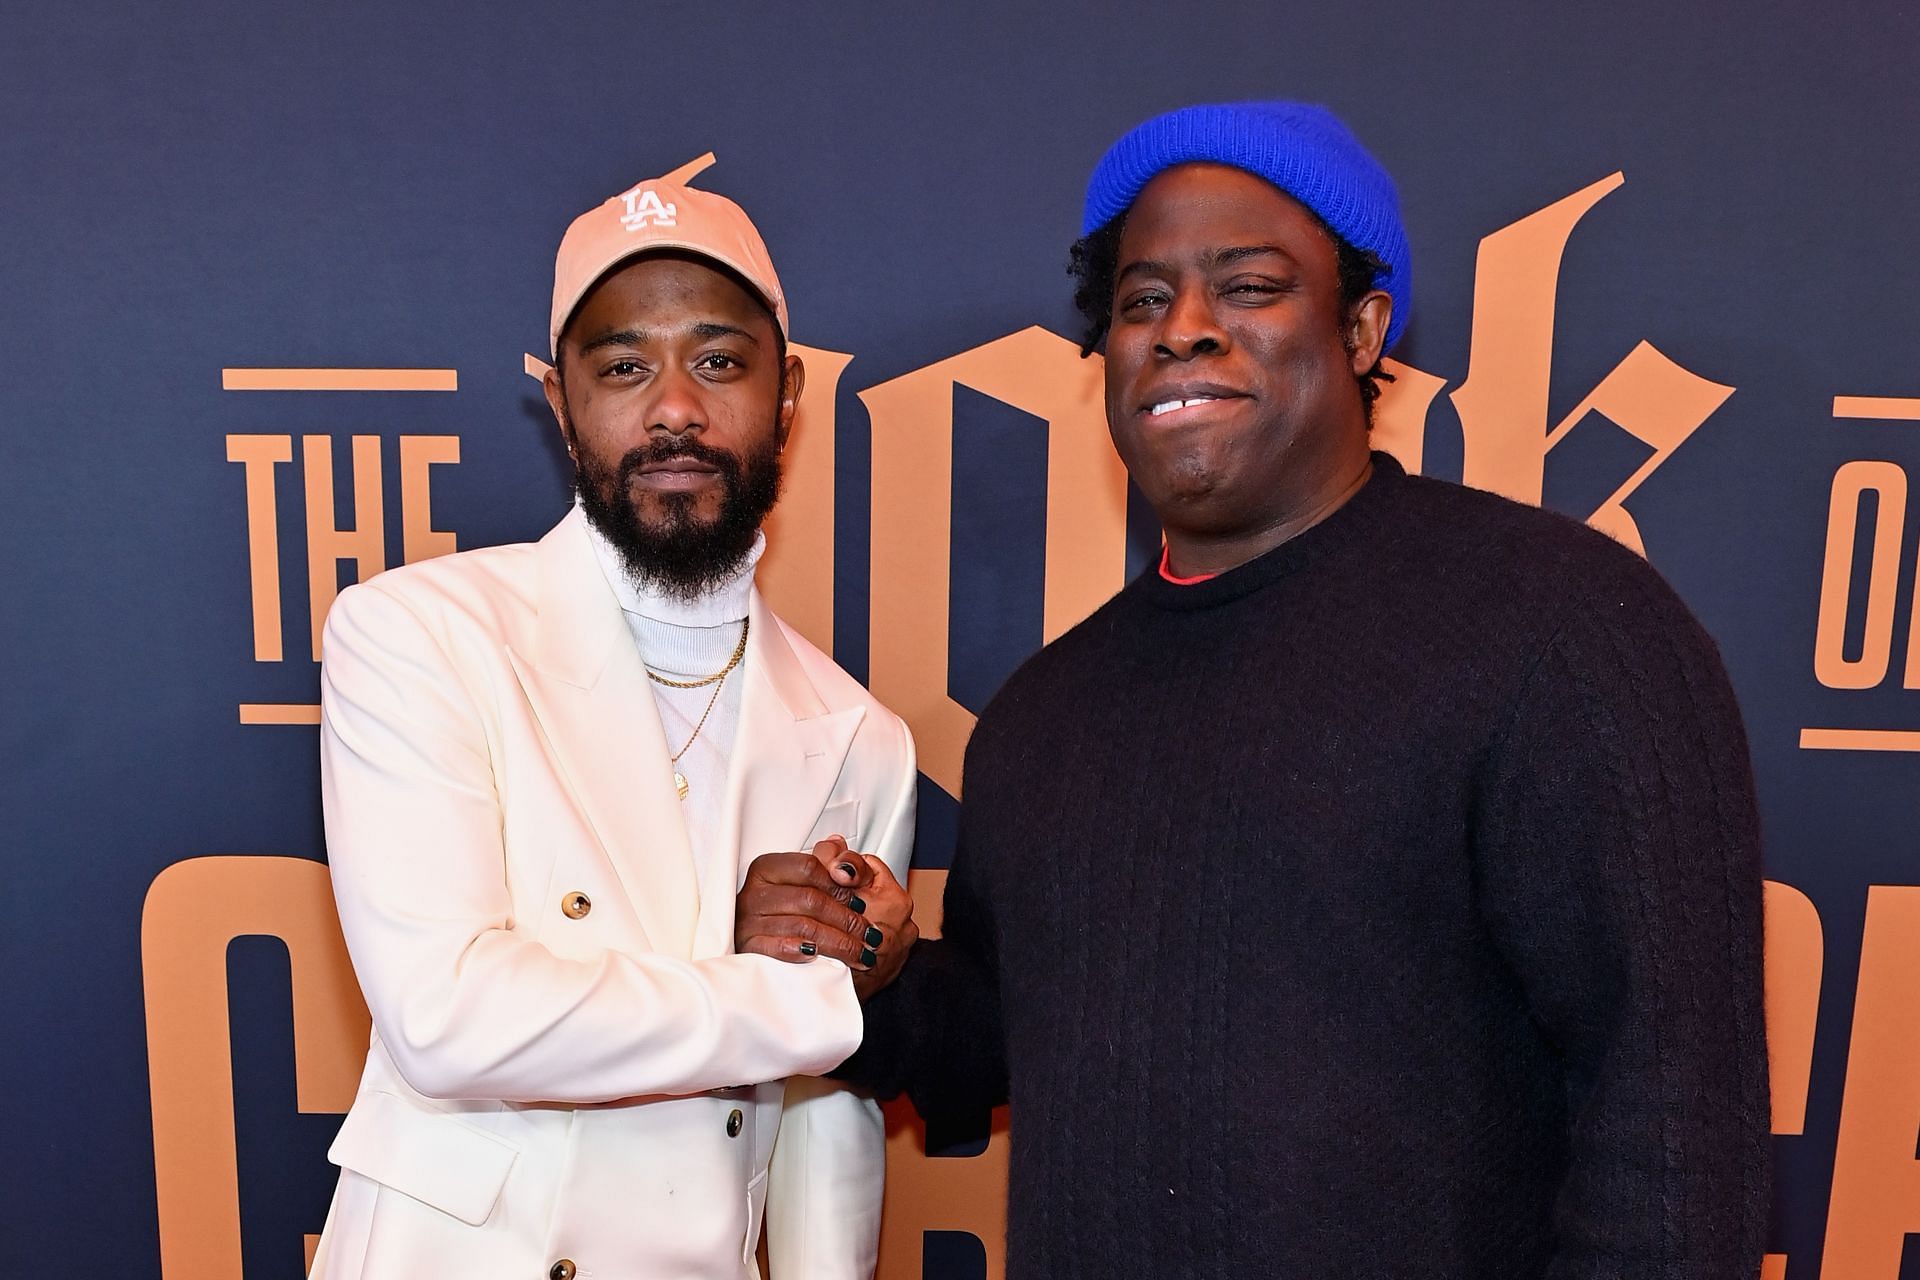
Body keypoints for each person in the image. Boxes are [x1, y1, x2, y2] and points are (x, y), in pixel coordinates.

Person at [738, 101, 1770, 1277]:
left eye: (1249, 285)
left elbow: (1673, 1147)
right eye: (1141, 300)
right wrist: (865, 977)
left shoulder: (1564, 630)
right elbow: (1003, 1045)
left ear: (1365, 326)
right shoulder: (1045, 714)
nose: (1183, 330)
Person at [309, 173, 916, 1280]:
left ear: (789, 396)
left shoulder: (858, 733)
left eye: (720, 361)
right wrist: (815, 996)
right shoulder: (417, 633)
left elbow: (825, 1125)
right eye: (625, 366)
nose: (675, 407)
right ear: (562, 402)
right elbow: (449, 1019)